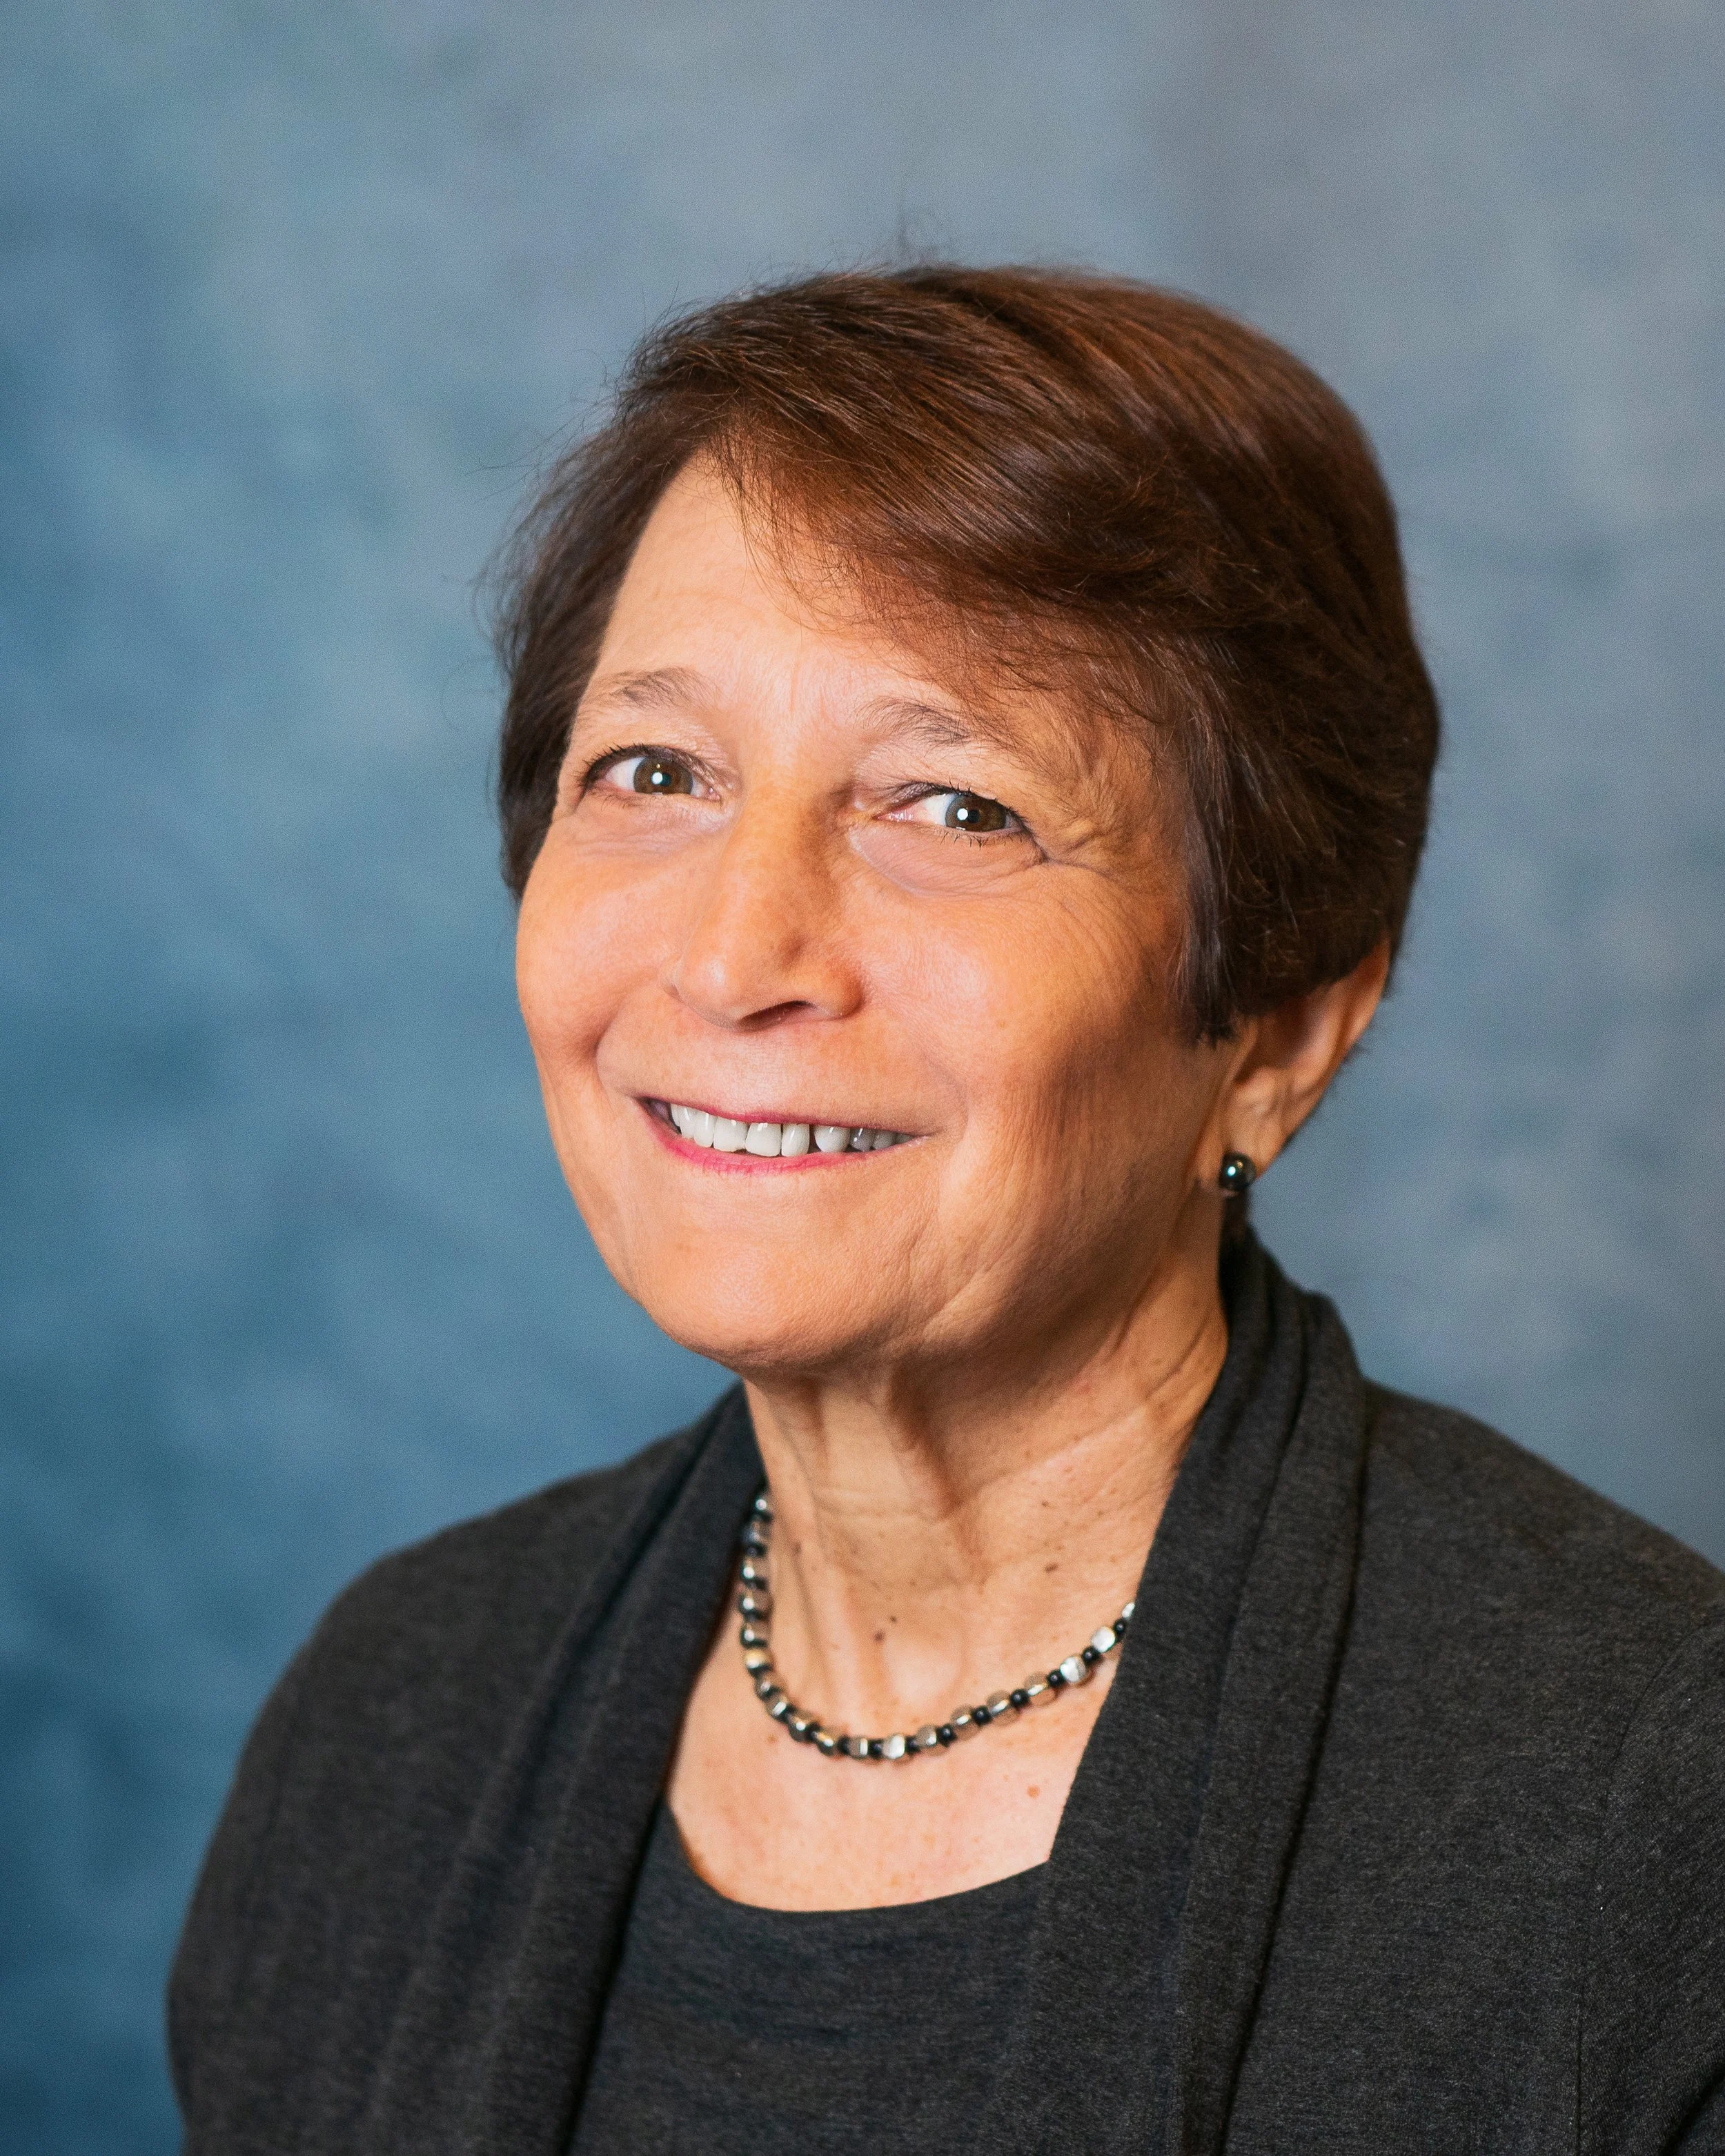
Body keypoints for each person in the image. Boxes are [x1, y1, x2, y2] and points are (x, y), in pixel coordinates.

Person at [168, 266, 1725, 2154]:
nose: (737, 954)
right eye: (653, 771)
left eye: (951, 807)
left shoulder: (1646, 1819)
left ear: (1277, 1031)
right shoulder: (390, 1726)